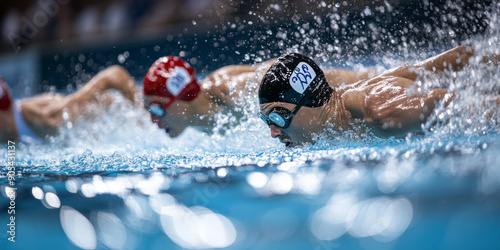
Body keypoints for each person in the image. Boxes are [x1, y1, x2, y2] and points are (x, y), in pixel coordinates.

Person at [0, 56, 373, 143]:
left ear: (180, 99)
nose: (153, 120)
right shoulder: (185, 114)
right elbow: (115, 76)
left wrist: (365, 81)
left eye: (157, 109)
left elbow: (296, 75)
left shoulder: (230, 91)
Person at [258, 46, 500, 147]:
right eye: (266, 121)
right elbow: (456, 57)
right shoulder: (348, 103)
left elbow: (480, 110)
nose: (273, 132)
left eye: (278, 118)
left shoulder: (382, 113)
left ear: (310, 102)